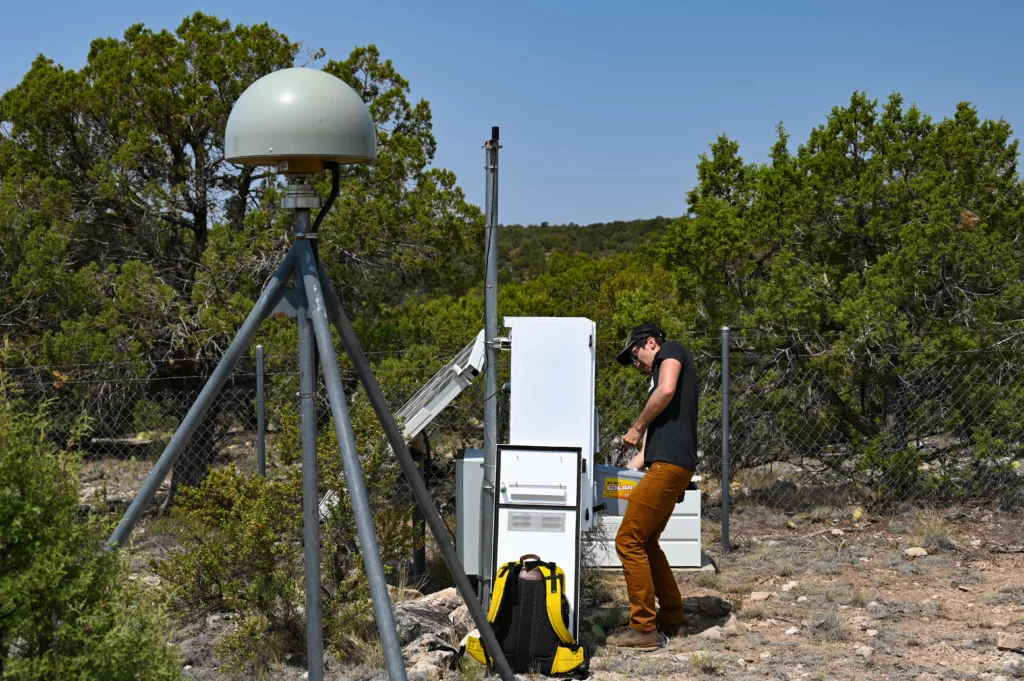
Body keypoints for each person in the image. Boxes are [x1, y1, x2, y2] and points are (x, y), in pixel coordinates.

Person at [605, 323, 699, 651]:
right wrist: (617, 473)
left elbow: (667, 389)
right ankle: (673, 620)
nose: (636, 363)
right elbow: (644, 454)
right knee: (647, 542)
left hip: (671, 464)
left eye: (635, 355)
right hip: (667, 464)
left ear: (650, 343)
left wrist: (637, 424)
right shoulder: (655, 379)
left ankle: (643, 628)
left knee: (628, 540)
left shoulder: (671, 351)